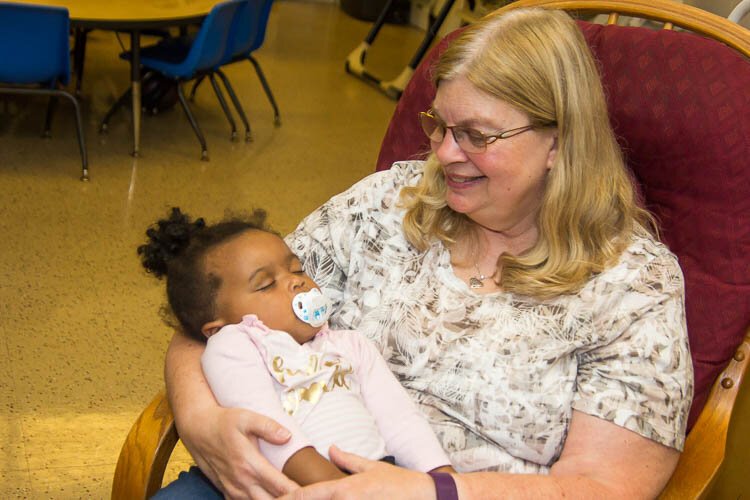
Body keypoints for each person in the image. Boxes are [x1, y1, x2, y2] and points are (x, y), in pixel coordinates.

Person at [161, 7, 693, 499]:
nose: (443, 153)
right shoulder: (387, 203)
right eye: (438, 124)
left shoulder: (633, 286)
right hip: (284, 473)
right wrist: (201, 420)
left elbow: (604, 488)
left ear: (559, 142)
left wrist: (434, 492)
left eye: (476, 135)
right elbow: (218, 309)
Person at [138, 207, 453, 493]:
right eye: (265, 284)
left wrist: (442, 479)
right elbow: (271, 432)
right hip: (267, 477)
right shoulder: (234, 346)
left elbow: (400, 420)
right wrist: (338, 489)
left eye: (298, 269)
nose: (295, 282)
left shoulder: (351, 345)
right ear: (218, 327)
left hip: (371, 478)